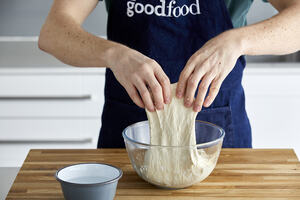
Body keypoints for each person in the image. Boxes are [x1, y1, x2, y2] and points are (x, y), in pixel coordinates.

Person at [39, 0, 300, 148]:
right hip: (129, 131)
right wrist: (114, 54)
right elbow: (54, 32)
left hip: (218, 130)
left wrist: (238, 41)